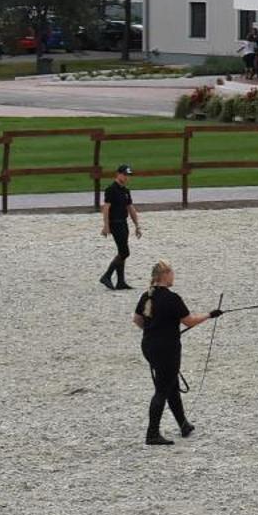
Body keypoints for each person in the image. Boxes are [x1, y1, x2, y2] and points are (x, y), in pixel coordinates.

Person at [131, 261, 222, 446]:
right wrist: (210, 315)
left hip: (149, 346)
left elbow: (137, 320)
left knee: (171, 384)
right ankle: (152, 434)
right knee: (162, 390)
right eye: (172, 273)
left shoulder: (146, 296)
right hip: (167, 349)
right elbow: (189, 321)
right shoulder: (172, 298)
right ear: (165, 274)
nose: (174, 276)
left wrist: (153, 330)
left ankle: (183, 424)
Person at [99, 164, 141, 290]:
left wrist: (137, 225)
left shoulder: (125, 191)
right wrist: (106, 226)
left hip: (123, 222)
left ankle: (121, 281)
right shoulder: (111, 189)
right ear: (118, 174)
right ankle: (107, 275)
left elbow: (131, 208)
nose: (127, 177)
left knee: (121, 251)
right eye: (125, 175)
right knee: (124, 252)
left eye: (128, 175)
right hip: (115, 223)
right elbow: (106, 208)